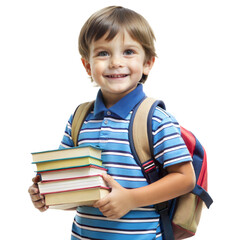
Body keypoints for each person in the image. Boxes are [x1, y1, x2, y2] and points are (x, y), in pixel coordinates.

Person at [28, 6, 196, 239]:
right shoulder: (79, 118)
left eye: (128, 52)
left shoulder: (156, 119)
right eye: (103, 53)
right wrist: (46, 194)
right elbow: (71, 188)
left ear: (148, 63)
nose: (116, 62)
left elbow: (185, 179)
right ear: (87, 65)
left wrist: (130, 199)